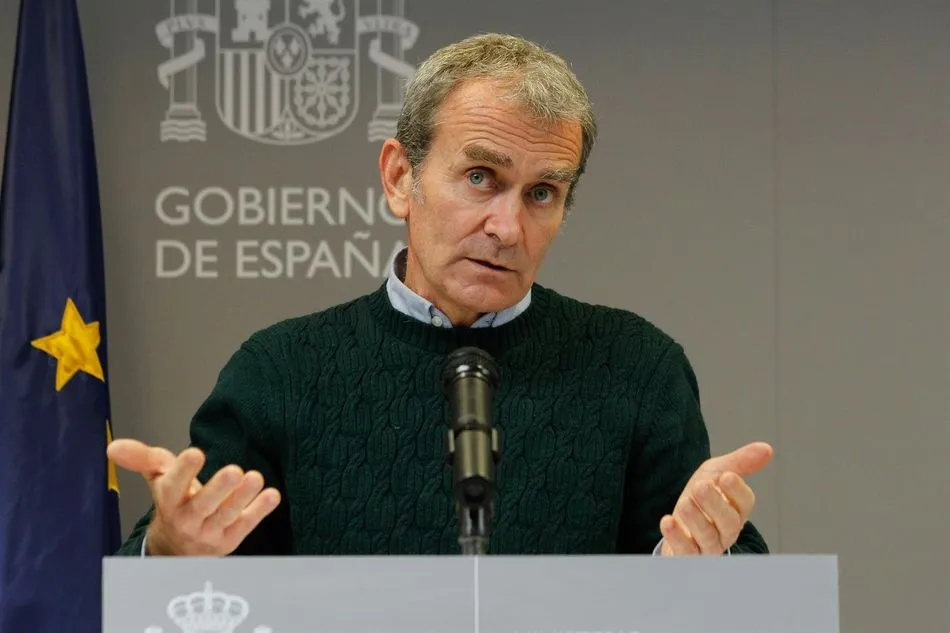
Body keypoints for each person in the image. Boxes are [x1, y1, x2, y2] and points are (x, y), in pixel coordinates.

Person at [108, 33, 773, 558]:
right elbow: (172, 564)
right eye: (481, 176)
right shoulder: (282, 369)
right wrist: (171, 549)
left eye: (543, 192)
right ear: (402, 177)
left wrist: (697, 569)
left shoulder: (636, 365)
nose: (507, 227)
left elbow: (718, 560)